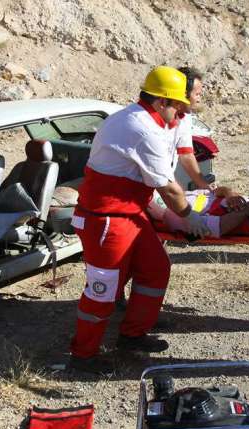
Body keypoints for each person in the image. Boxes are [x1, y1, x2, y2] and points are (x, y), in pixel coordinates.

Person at [69, 66, 211, 374]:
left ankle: (132, 334)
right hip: (107, 219)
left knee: (156, 268)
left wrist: (161, 213)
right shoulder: (143, 129)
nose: (181, 111)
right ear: (162, 102)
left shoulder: (139, 119)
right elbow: (170, 188)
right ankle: (83, 355)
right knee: (102, 290)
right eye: (177, 104)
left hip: (130, 213)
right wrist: (190, 217)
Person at [174, 66, 215, 190]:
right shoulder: (156, 122)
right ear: (184, 94)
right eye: (197, 94)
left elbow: (186, 154)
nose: (198, 99)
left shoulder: (185, 118)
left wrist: (205, 187)